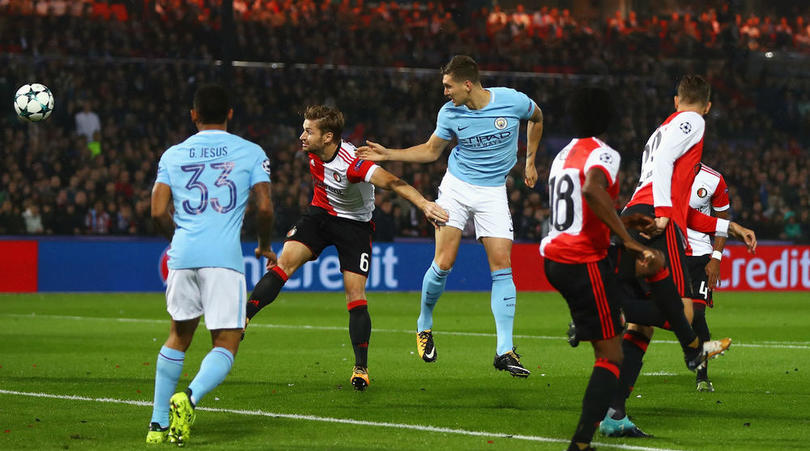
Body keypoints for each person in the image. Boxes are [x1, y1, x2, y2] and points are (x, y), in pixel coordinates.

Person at [357, 55, 544, 377]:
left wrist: (530, 161)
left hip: (493, 192)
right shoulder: (450, 113)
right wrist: (389, 154)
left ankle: (505, 349)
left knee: (502, 266)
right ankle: (424, 324)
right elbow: (431, 151)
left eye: (448, 85)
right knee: (444, 262)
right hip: (457, 188)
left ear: (467, 84)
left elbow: (537, 117)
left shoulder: (512, 101)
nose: (444, 92)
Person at [243, 105, 449, 391]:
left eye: (308, 131)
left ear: (328, 137)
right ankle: (242, 318)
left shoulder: (354, 162)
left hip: (354, 227)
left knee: (355, 295)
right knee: (284, 263)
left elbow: (393, 182)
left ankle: (361, 367)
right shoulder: (313, 152)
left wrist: (425, 204)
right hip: (320, 215)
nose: (301, 136)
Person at [599, 75, 753, 437]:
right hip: (656, 218)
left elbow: (687, 208)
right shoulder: (692, 121)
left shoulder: (657, 132)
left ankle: (614, 414)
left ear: (674, 99)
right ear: (708, 106)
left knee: (641, 329)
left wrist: (729, 228)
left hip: (638, 214)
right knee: (684, 308)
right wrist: (665, 211)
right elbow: (669, 179)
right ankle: (611, 310)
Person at [146, 84, 275, 446]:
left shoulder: (173, 154)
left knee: (178, 336)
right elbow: (264, 207)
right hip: (224, 259)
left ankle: (156, 426)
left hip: (183, 256)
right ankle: (188, 398)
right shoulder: (251, 152)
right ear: (230, 114)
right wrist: (265, 245)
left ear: (194, 115)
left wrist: (178, 240)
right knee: (226, 342)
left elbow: (157, 210)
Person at [541, 87, 661, 451]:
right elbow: (592, 190)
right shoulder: (604, 153)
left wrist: (626, 218)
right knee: (611, 356)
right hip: (580, 260)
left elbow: (585, 199)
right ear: (608, 117)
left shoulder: (562, 155)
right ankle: (580, 443)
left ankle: (589, 321)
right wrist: (627, 238)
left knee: (615, 315)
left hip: (553, 258)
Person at [686, 163, 731, 392]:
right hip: (672, 253)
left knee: (697, 313)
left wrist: (716, 257)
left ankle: (702, 376)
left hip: (701, 255)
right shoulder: (664, 168)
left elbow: (722, 220)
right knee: (673, 313)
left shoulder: (713, 179)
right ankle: (695, 353)